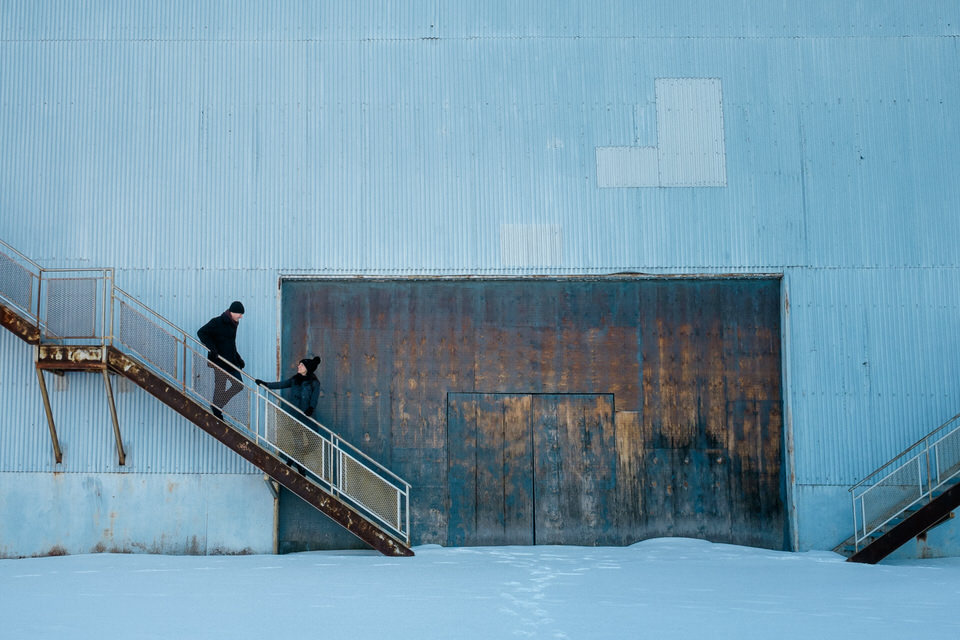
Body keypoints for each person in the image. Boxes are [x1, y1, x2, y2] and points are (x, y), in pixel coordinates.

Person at [255, 356, 322, 474]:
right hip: (294, 416)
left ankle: (291, 461)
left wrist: (311, 408)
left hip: (307, 417)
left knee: (315, 442)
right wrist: (265, 384)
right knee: (299, 443)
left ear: (307, 368)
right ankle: (301, 470)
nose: (298, 366)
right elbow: (281, 384)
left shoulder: (314, 382)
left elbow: (314, 398)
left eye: (301, 365)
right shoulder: (294, 380)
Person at [197, 301, 246, 419]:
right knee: (220, 386)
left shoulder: (233, 324)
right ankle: (217, 411)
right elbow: (201, 333)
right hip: (219, 360)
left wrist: (238, 358)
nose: (241, 316)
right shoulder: (218, 321)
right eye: (240, 313)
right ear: (233, 312)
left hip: (231, 361)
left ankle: (217, 405)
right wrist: (212, 349)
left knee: (238, 385)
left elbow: (230, 344)